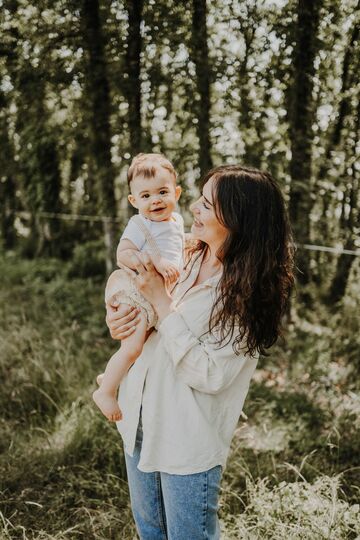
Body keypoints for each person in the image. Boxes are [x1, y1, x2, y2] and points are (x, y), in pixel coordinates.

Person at [105, 164, 295, 539]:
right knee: (150, 532)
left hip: (185, 440)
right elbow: (126, 280)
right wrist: (116, 312)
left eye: (207, 205)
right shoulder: (186, 255)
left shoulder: (246, 293)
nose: (193, 207)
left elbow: (211, 374)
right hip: (140, 416)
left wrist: (162, 303)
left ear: (237, 219)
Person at [93, 153, 183, 422]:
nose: (155, 200)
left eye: (163, 192)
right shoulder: (139, 224)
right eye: (145, 196)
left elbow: (177, 248)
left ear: (176, 193)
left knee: (142, 345)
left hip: (156, 295)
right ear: (134, 201)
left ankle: (110, 375)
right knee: (132, 348)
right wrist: (153, 260)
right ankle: (105, 392)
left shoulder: (177, 222)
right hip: (137, 291)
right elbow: (123, 253)